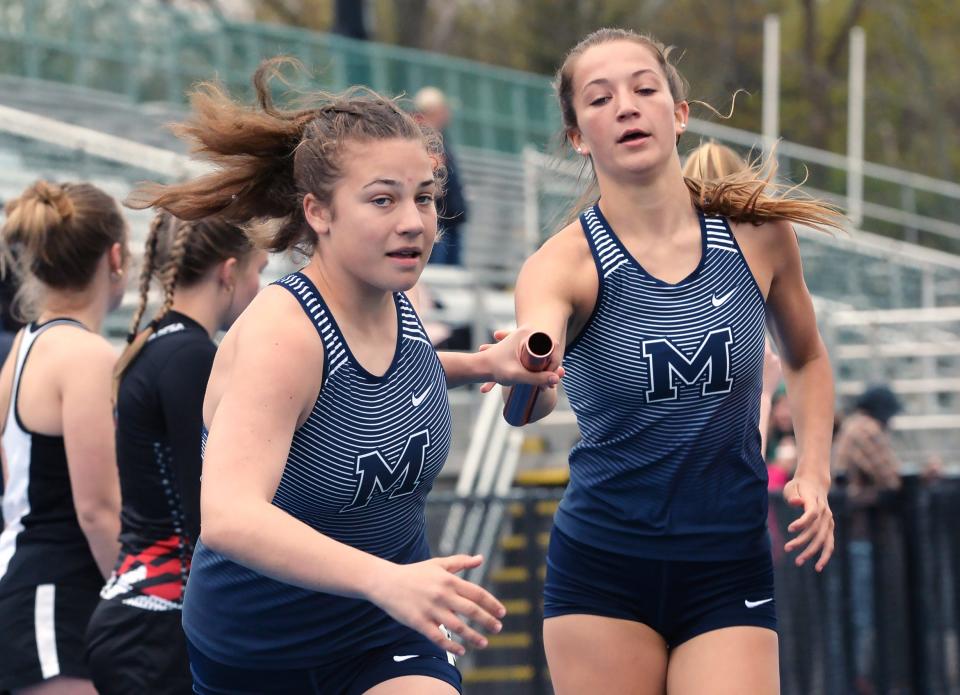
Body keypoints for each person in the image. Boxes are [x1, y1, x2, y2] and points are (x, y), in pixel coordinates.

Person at [127, 59, 561, 695]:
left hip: (385, 633)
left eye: (424, 197)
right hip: (265, 653)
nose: (413, 221)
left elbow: (375, 378)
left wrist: (485, 366)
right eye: (382, 199)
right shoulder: (284, 332)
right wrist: (387, 578)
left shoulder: (397, 302)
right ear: (319, 212)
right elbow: (228, 515)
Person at [507, 28, 842, 694]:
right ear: (578, 136)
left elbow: (805, 359)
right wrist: (526, 369)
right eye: (600, 99)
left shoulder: (758, 235)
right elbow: (531, 395)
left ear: (679, 113)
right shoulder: (560, 264)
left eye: (644, 88)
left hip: (728, 558)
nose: (627, 106)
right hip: (605, 568)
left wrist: (814, 471)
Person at [84, 212, 268, 694]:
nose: (259, 288)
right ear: (228, 272)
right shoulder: (190, 357)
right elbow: (205, 510)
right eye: (257, 272)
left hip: (139, 616)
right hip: (157, 622)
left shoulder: (155, 343)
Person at [0, 181, 127, 694]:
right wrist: (144, 600)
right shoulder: (86, 357)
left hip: (32, 583)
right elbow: (97, 508)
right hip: (53, 592)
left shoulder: (27, 345)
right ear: (116, 258)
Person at [832, 384, 903, 695]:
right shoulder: (866, 428)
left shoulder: (853, 425)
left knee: (857, 612)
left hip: (852, 537)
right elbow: (893, 478)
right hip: (860, 537)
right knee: (864, 613)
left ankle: (859, 677)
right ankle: (861, 680)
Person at [414, 87, 469, 266]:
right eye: (443, 109)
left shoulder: (440, 137)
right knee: (436, 273)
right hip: (438, 220)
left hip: (450, 218)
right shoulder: (418, 137)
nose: (447, 114)